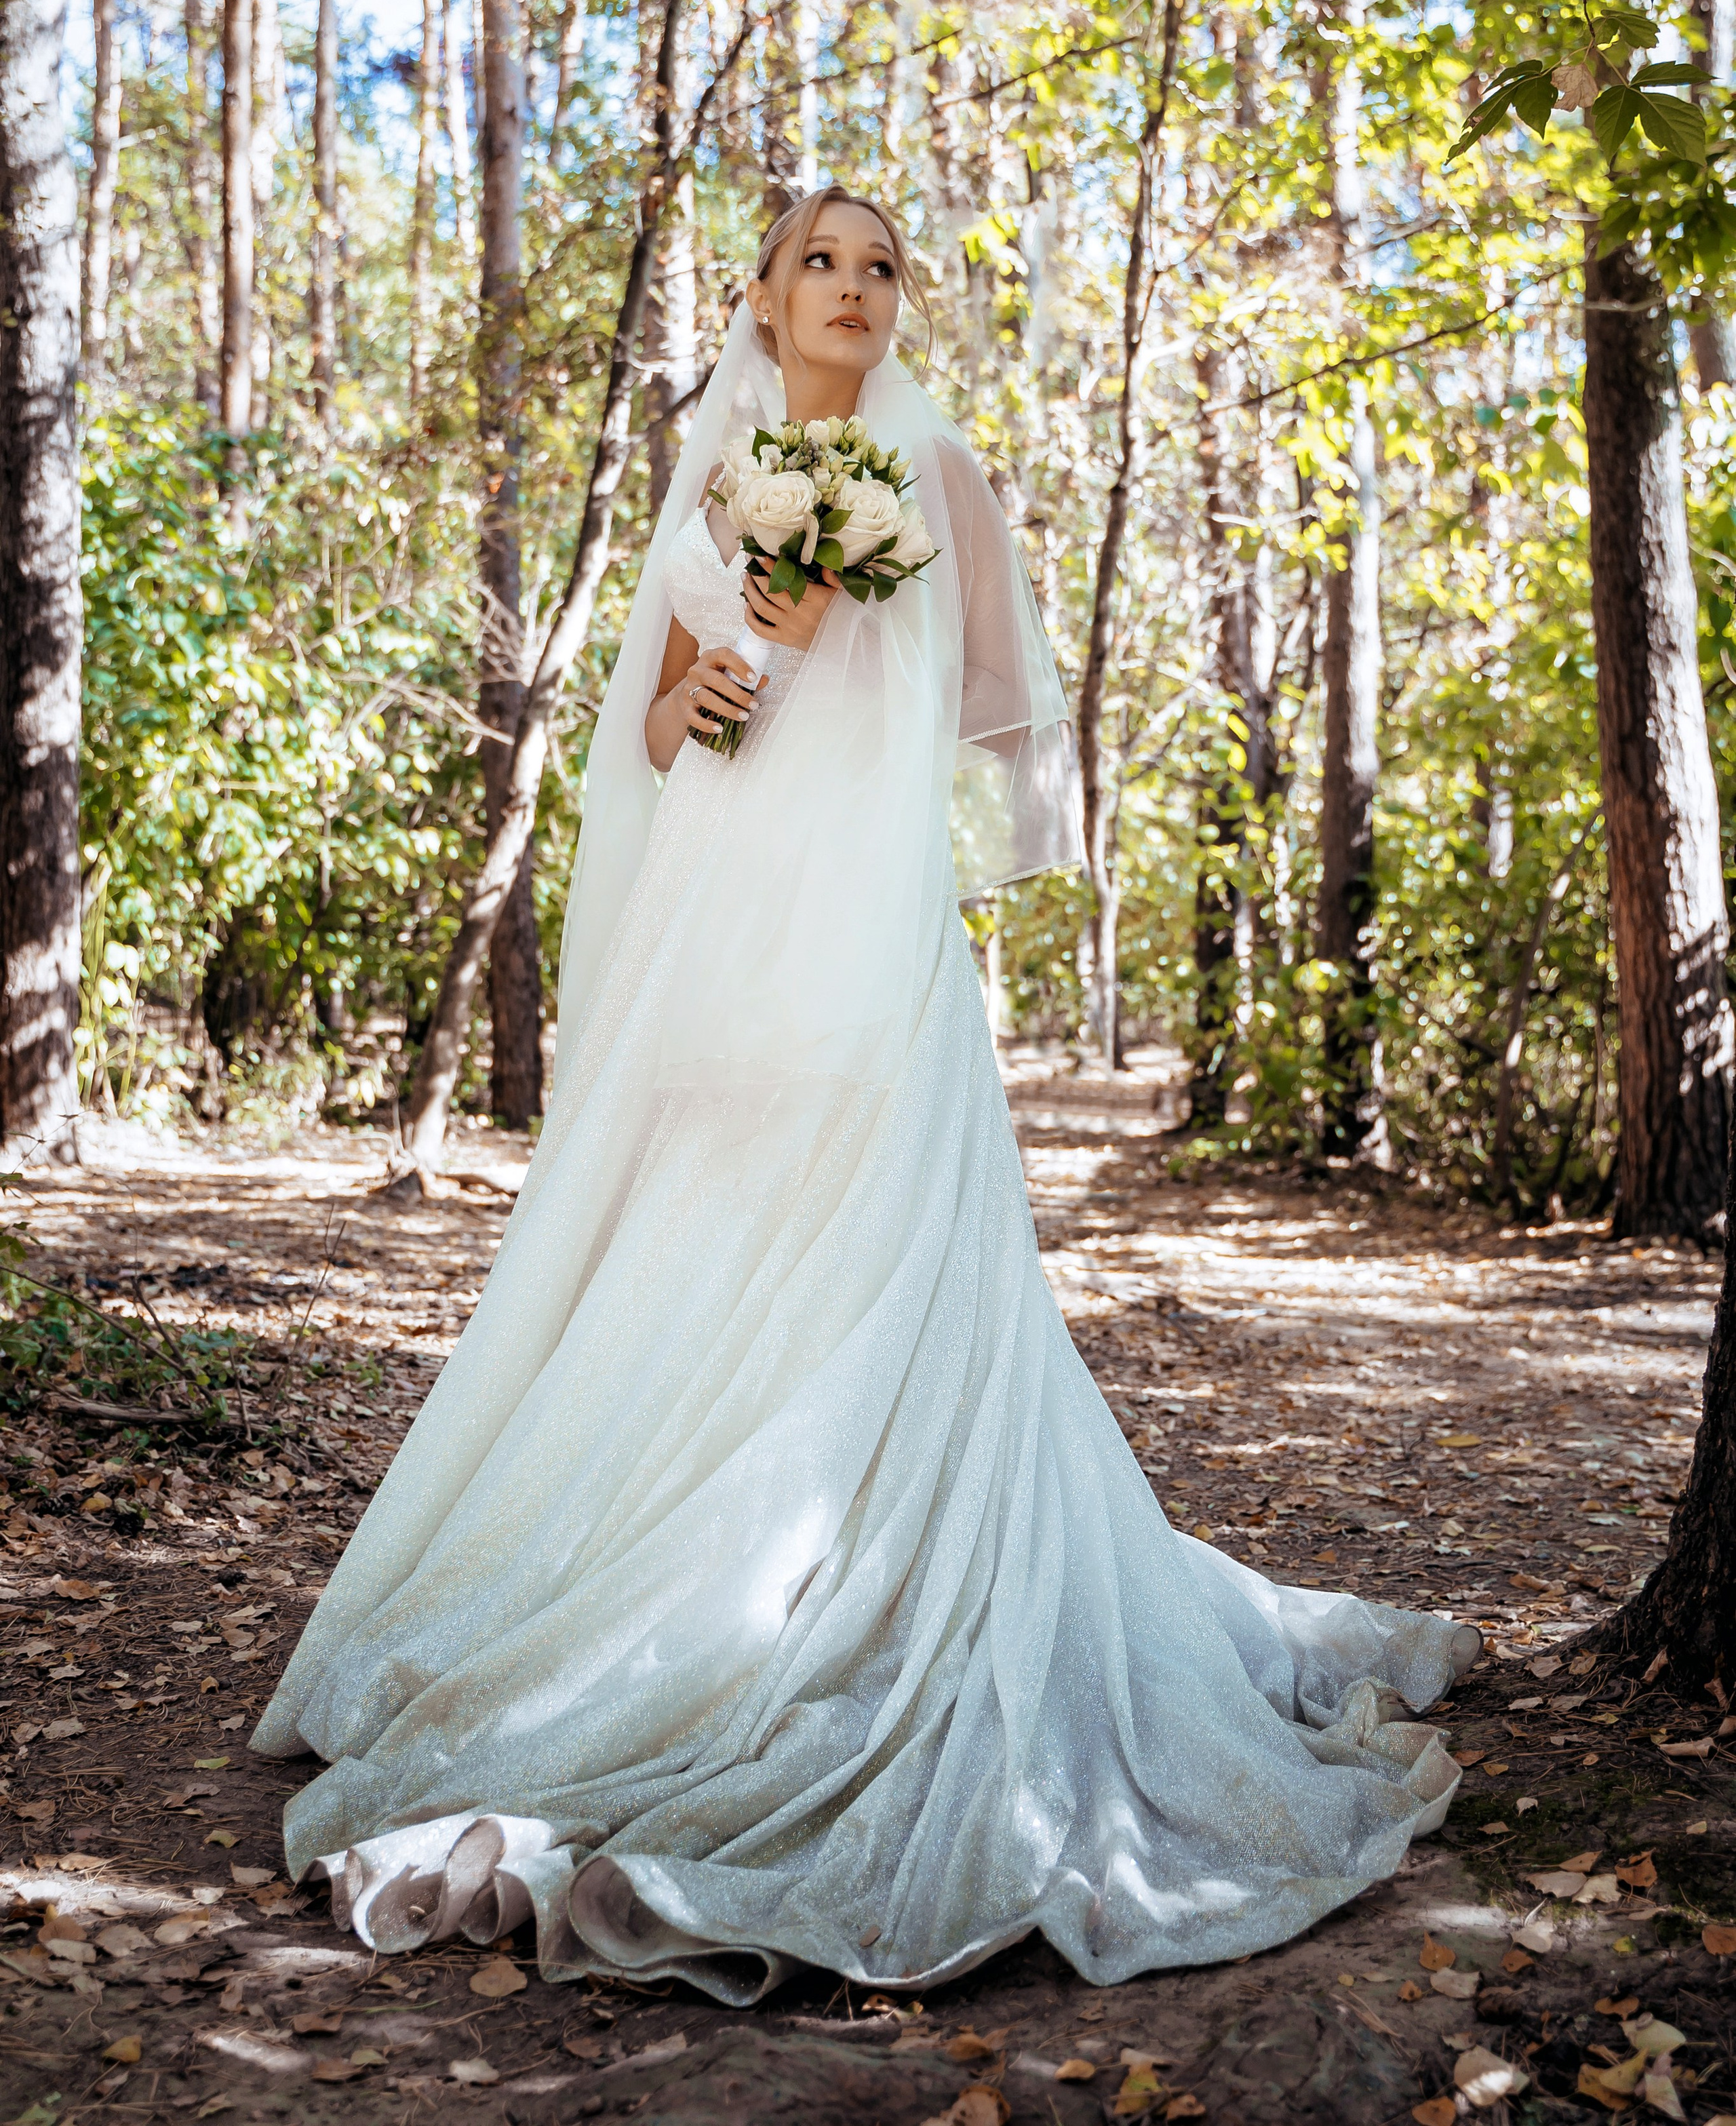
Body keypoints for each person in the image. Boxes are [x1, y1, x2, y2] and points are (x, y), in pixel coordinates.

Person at [253, 184, 1478, 2002]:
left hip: (871, 922)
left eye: (882, 263)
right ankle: (690, 1556)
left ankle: (878, 1581)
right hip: (719, 918)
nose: (851, 286)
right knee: (704, 1237)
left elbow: (998, 705)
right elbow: (661, 735)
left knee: (880, 1231)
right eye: (819, 258)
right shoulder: (718, 469)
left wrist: (869, 611)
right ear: (759, 297)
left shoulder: (949, 473)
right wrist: (742, 662)